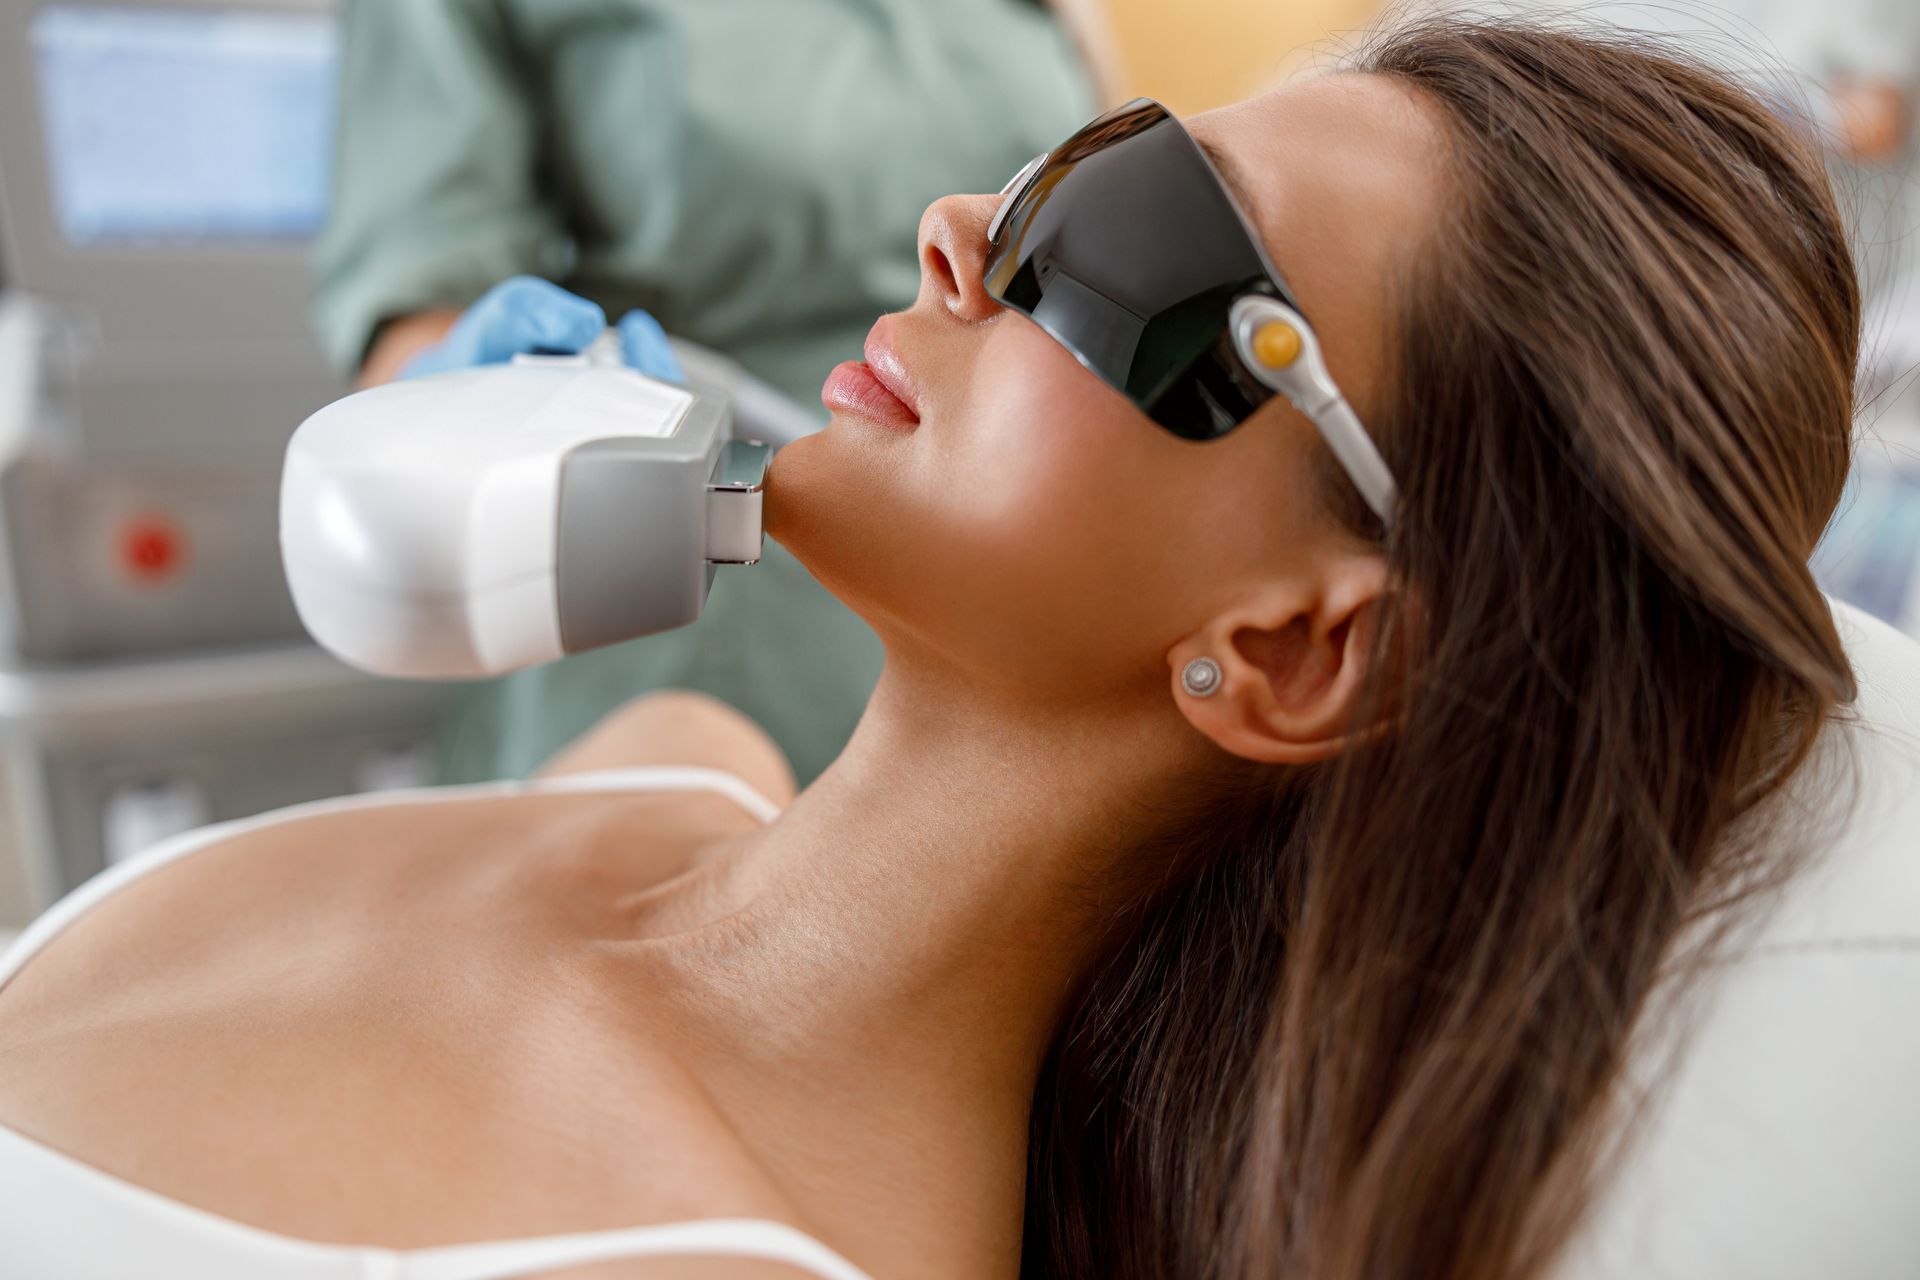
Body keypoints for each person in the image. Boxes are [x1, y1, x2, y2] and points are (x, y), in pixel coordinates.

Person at [4, 16, 1917, 1280]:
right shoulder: (670, 777)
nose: (954, 234)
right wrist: (476, 422)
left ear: (1293, 654)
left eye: (1134, 237)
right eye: (1070, 160)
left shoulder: (728, 1246)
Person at [313, 0, 1108, 787]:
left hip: (1001, 602)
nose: (950, 227)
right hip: (667, 591)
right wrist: (457, 388)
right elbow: (416, 298)